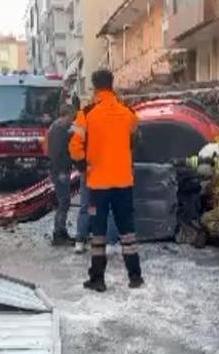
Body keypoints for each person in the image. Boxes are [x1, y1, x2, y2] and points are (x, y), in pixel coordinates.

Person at [69, 69, 143, 291]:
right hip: (123, 182)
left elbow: (74, 146)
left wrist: (82, 164)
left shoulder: (86, 114)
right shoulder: (128, 113)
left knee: (98, 231)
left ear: (94, 87)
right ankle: (135, 276)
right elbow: (136, 136)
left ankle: (98, 279)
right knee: (127, 230)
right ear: (112, 86)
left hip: (98, 185)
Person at [47, 104, 76, 246]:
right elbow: (59, 153)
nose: (72, 120)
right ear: (66, 115)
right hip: (60, 171)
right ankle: (59, 234)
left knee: (63, 201)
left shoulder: (57, 127)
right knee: (64, 201)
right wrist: (65, 169)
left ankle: (61, 231)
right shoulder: (59, 129)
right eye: (72, 117)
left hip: (58, 170)